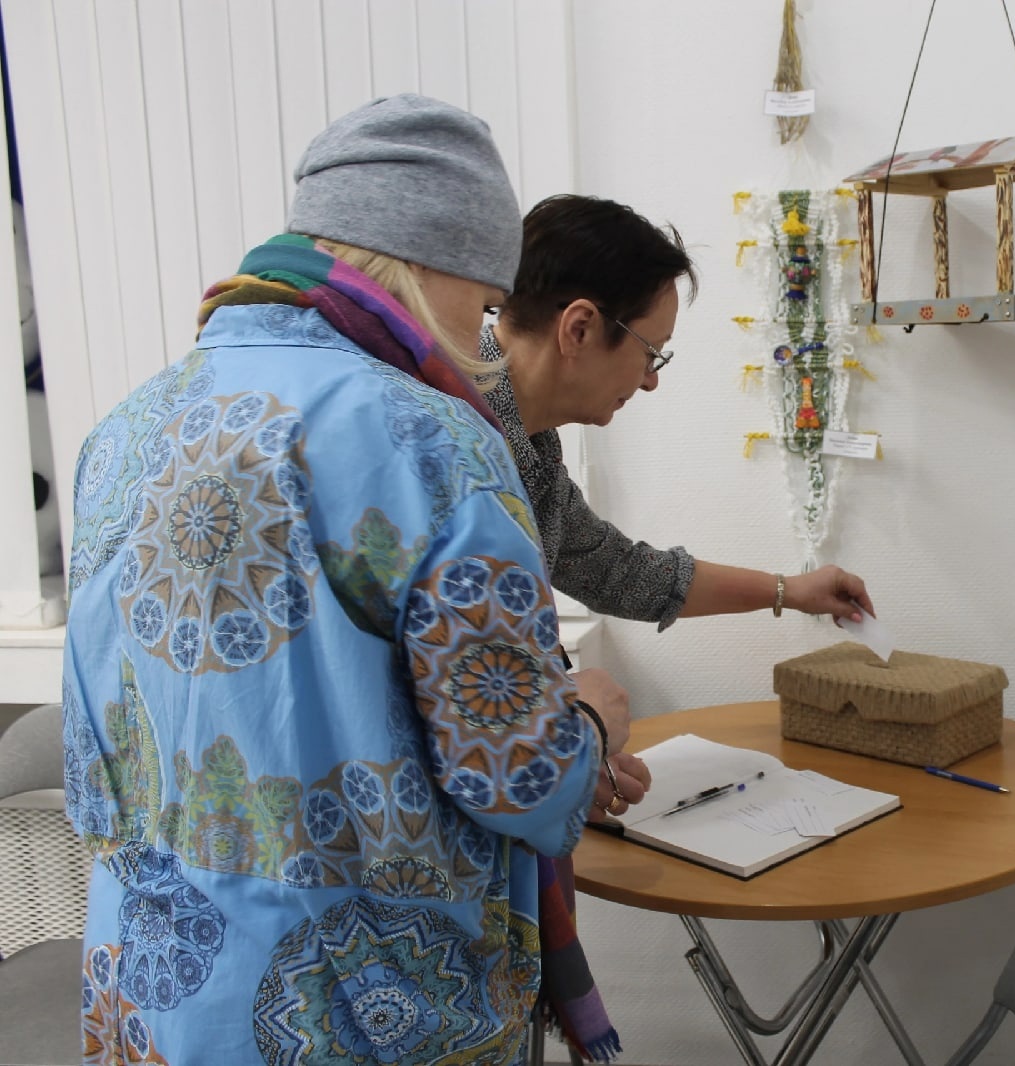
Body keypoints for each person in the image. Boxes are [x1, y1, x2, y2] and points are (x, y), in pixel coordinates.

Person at [61, 95, 644, 1065]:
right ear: (429, 267)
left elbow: (98, 763)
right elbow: (519, 779)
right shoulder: (433, 443)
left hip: (156, 993)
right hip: (360, 1007)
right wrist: (588, 720)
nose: (483, 339)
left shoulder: (124, 429)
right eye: (485, 304)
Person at [479, 194, 875, 631]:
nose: (650, 381)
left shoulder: (532, 446)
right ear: (580, 329)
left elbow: (617, 572)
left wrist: (790, 590)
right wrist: (561, 681)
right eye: (651, 353)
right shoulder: (450, 440)